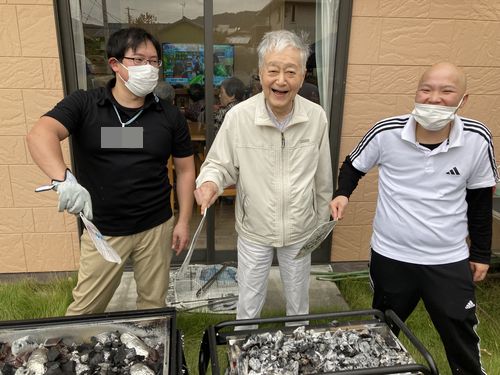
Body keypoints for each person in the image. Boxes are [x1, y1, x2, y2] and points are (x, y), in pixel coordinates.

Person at [330, 62, 497, 374]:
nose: (434, 98)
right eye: (426, 89)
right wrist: (343, 193)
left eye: (447, 91)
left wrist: (481, 254)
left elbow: (480, 200)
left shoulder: (477, 138)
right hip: (391, 255)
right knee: (381, 328)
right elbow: (353, 165)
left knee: (460, 332)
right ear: (416, 93)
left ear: (464, 99)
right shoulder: (386, 131)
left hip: (447, 258)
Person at [26, 27, 196, 315]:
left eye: (154, 62)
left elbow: (185, 170)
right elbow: (41, 134)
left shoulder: (168, 115)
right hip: (103, 229)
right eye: (139, 60)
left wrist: (183, 221)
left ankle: (150, 352)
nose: (149, 68)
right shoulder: (85, 104)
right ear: (115, 64)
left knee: (153, 307)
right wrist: (63, 179)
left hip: (155, 226)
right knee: (86, 309)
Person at [194, 30, 333, 322]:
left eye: (290, 72)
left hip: (300, 229)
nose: (281, 80)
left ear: (303, 75)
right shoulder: (239, 116)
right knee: (249, 299)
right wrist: (209, 183)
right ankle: (244, 346)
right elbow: (219, 164)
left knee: (298, 301)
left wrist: (320, 223)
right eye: (273, 71)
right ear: (260, 73)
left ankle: (299, 344)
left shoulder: (316, 116)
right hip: (254, 229)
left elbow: (323, 177)